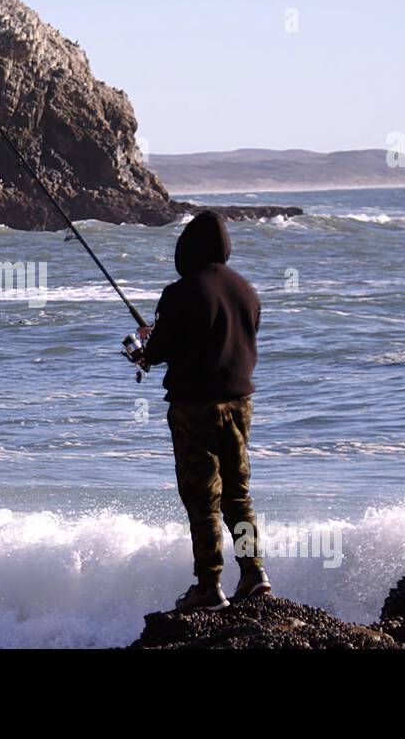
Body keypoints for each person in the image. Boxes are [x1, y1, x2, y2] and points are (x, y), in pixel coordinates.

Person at [136, 211, 271, 612]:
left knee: (202, 498)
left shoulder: (180, 292)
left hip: (195, 407)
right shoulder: (246, 290)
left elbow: (157, 353)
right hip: (240, 405)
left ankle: (209, 584)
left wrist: (149, 343)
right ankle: (253, 573)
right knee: (237, 495)